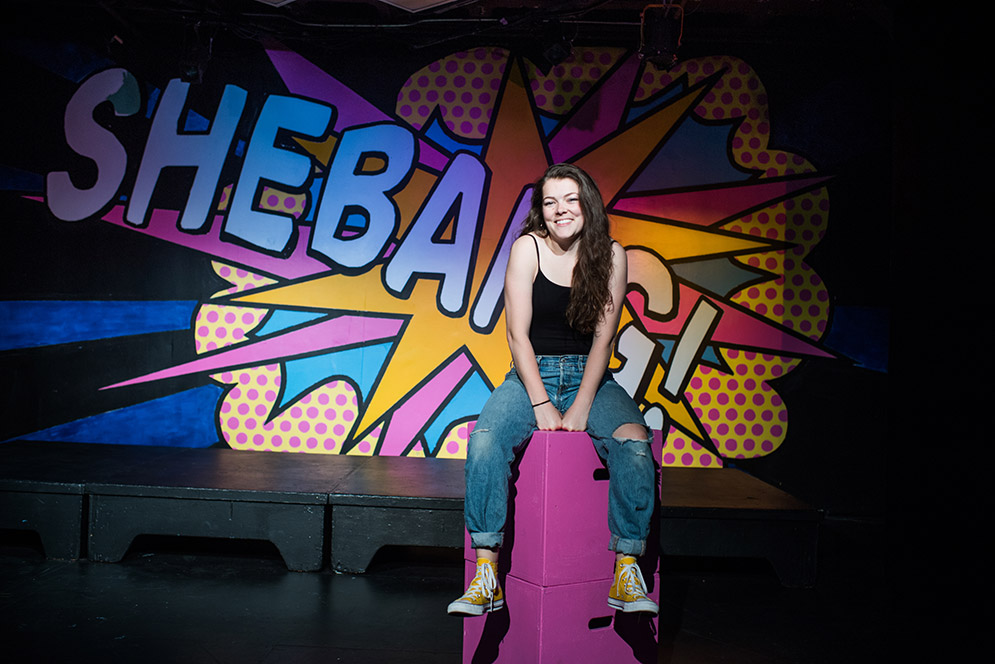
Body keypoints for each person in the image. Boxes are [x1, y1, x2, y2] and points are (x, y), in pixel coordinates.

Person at [447, 163, 658, 617]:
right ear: (540, 211)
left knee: (636, 444)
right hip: (530, 375)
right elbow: (516, 335)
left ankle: (626, 569)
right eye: (549, 202)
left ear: (588, 204)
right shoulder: (528, 248)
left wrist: (582, 403)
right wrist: (541, 401)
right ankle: (486, 573)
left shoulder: (612, 255)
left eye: (570, 199)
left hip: (592, 377)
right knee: (485, 441)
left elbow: (604, 339)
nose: (560, 210)